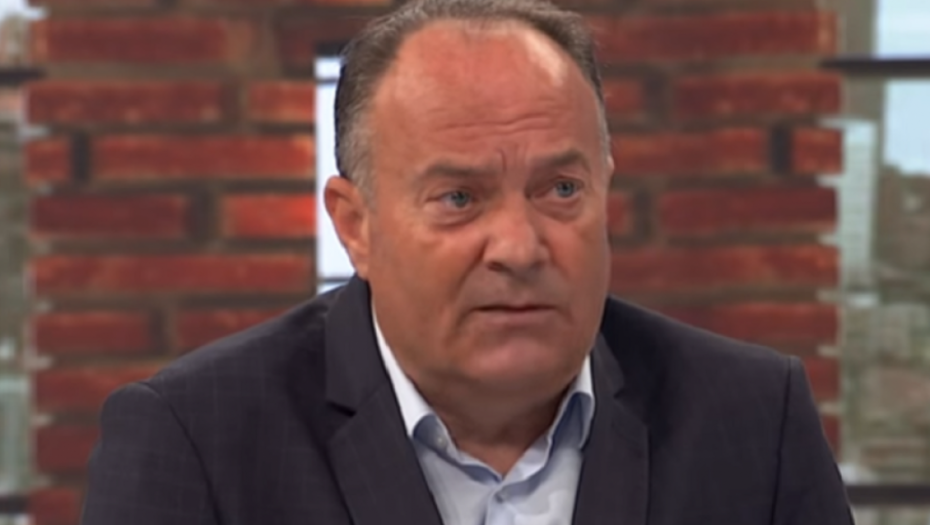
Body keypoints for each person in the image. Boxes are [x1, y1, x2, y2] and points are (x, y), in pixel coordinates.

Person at [80, 0, 854, 523]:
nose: (519, 247)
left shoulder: (753, 419)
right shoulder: (195, 438)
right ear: (356, 226)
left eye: (561, 189)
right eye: (459, 198)